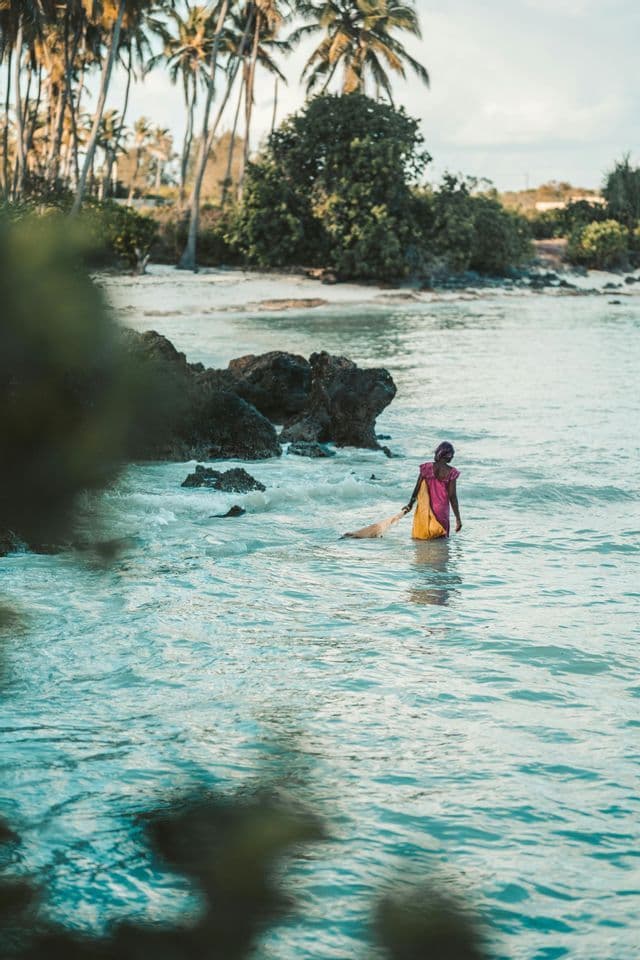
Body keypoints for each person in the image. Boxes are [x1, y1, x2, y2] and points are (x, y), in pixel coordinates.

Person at [403, 441, 462, 538]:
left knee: (424, 536)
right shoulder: (451, 472)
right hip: (441, 510)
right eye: (452, 454)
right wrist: (458, 519)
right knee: (441, 539)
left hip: (426, 507)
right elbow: (452, 496)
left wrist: (410, 505)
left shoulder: (426, 468)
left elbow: (417, 487)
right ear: (448, 455)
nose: (453, 457)